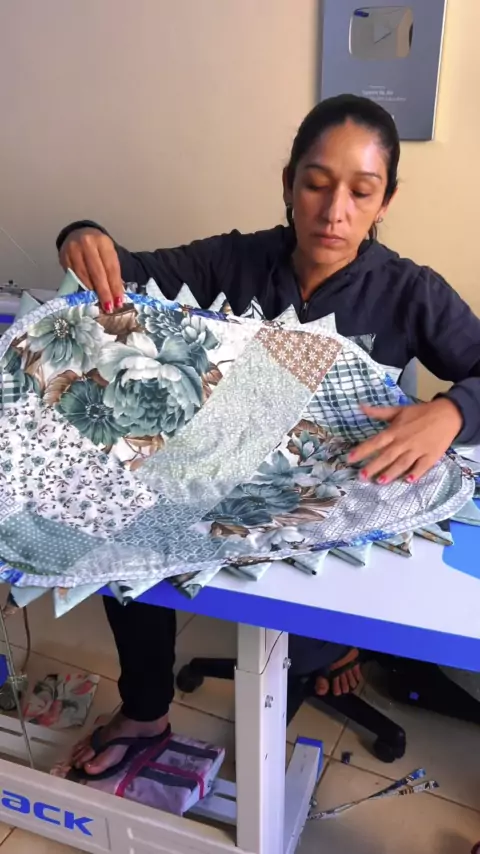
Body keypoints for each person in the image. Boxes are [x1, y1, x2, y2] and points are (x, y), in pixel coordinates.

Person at [56, 94, 480, 777]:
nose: (334, 211)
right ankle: (145, 709)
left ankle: (328, 657)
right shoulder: (235, 262)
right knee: (119, 531)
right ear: (288, 183)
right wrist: (83, 235)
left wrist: (454, 410)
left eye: (361, 192)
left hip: (333, 496)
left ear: (386, 201)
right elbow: (123, 273)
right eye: (316, 184)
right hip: (227, 470)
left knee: (306, 641)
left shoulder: (411, 293)